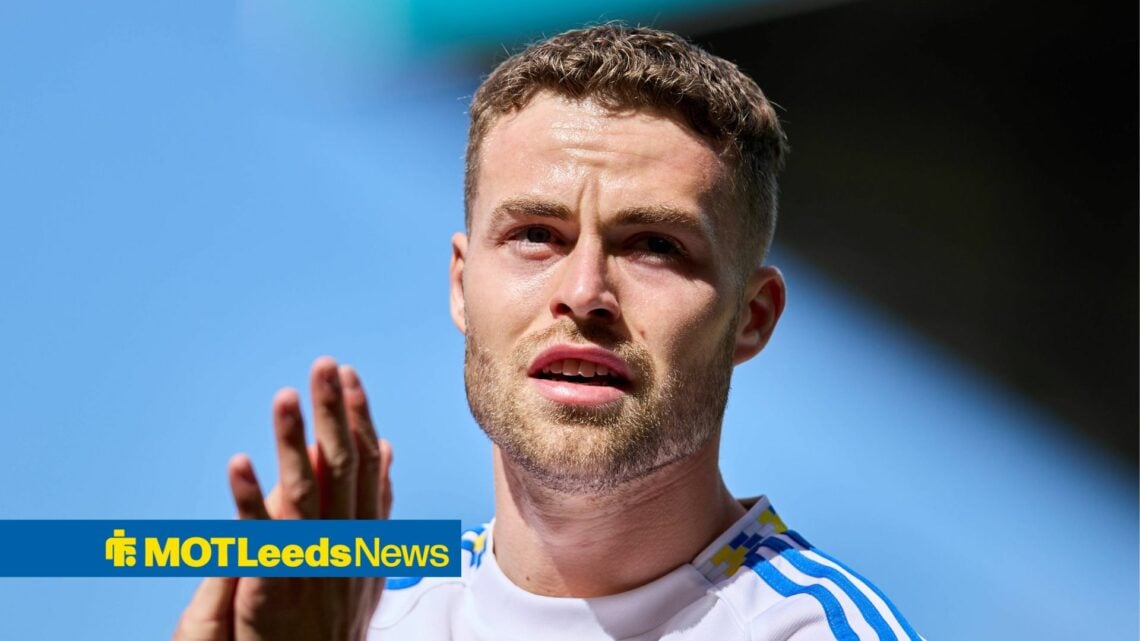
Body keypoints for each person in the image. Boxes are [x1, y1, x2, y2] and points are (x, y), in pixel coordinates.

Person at [174, 23, 922, 641]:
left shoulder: (811, 629)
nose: (584, 292)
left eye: (655, 244)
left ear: (751, 317)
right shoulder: (350, 609)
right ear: (462, 285)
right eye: (536, 234)